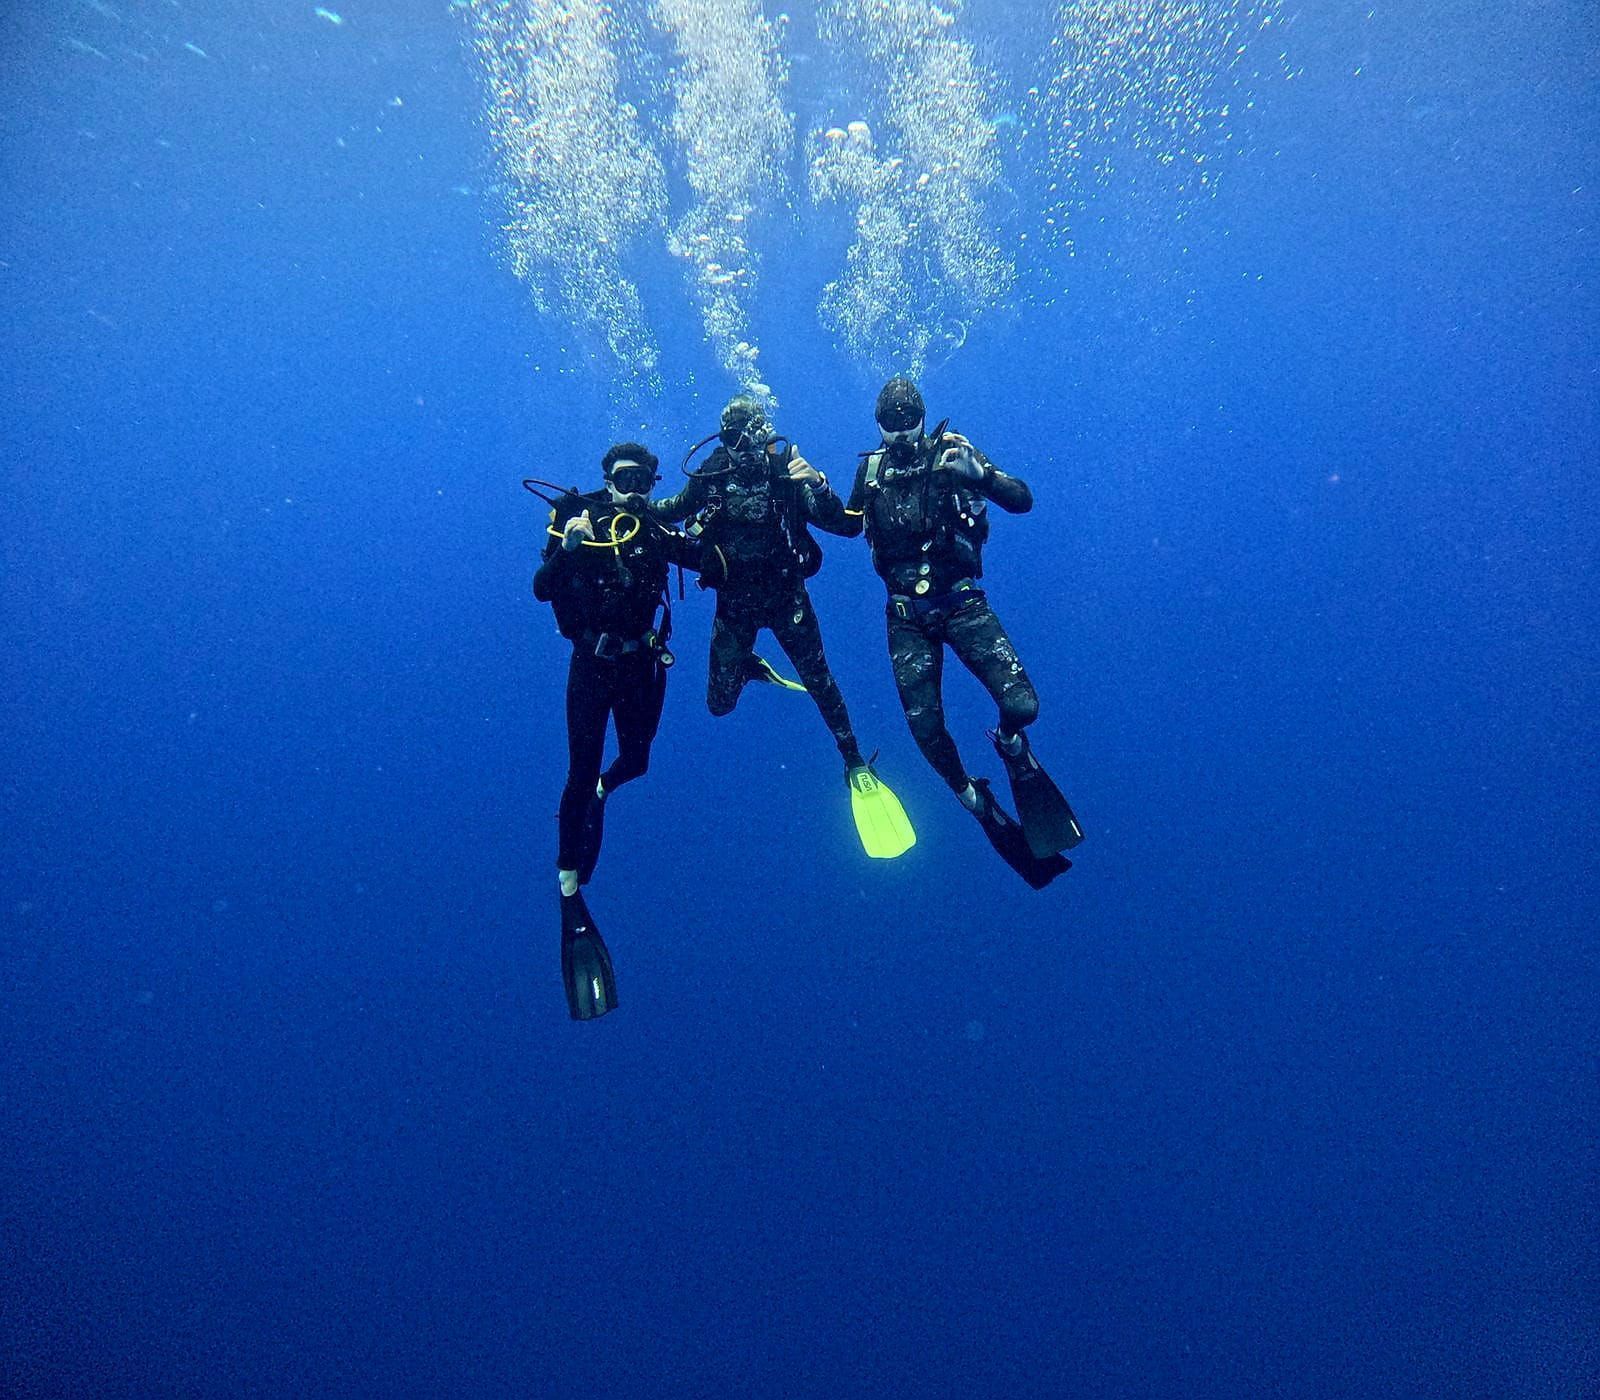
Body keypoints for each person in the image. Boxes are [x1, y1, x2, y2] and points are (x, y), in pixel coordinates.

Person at [839, 377, 1083, 888]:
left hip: (963, 603)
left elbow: (1022, 499)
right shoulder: (872, 472)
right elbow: (845, 523)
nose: (903, 433)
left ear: (924, 419)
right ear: (878, 427)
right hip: (906, 617)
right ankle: (975, 800)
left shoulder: (955, 455)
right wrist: (814, 490)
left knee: (1023, 707)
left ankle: (1013, 746)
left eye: (910, 422)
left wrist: (983, 476)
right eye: (892, 425)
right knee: (926, 733)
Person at [654, 393, 914, 859]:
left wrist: (817, 482)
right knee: (718, 705)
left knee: (821, 682)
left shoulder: (788, 476)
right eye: (734, 438)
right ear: (724, 441)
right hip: (735, 608)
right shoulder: (709, 480)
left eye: (752, 435)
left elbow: (847, 526)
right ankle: (748, 665)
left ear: (765, 434)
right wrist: (614, 506)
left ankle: (854, 761)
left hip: (787, 599)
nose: (744, 447)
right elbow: (664, 511)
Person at [531, 442, 701, 1018]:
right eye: (625, 478)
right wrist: (571, 547)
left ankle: (606, 791)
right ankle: (567, 889)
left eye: (645, 482)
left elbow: (708, 560)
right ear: (606, 477)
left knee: (636, 762)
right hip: (591, 667)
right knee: (579, 772)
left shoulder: (653, 528)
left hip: (642, 665)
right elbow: (542, 588)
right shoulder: (574, 516)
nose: (634, 490)